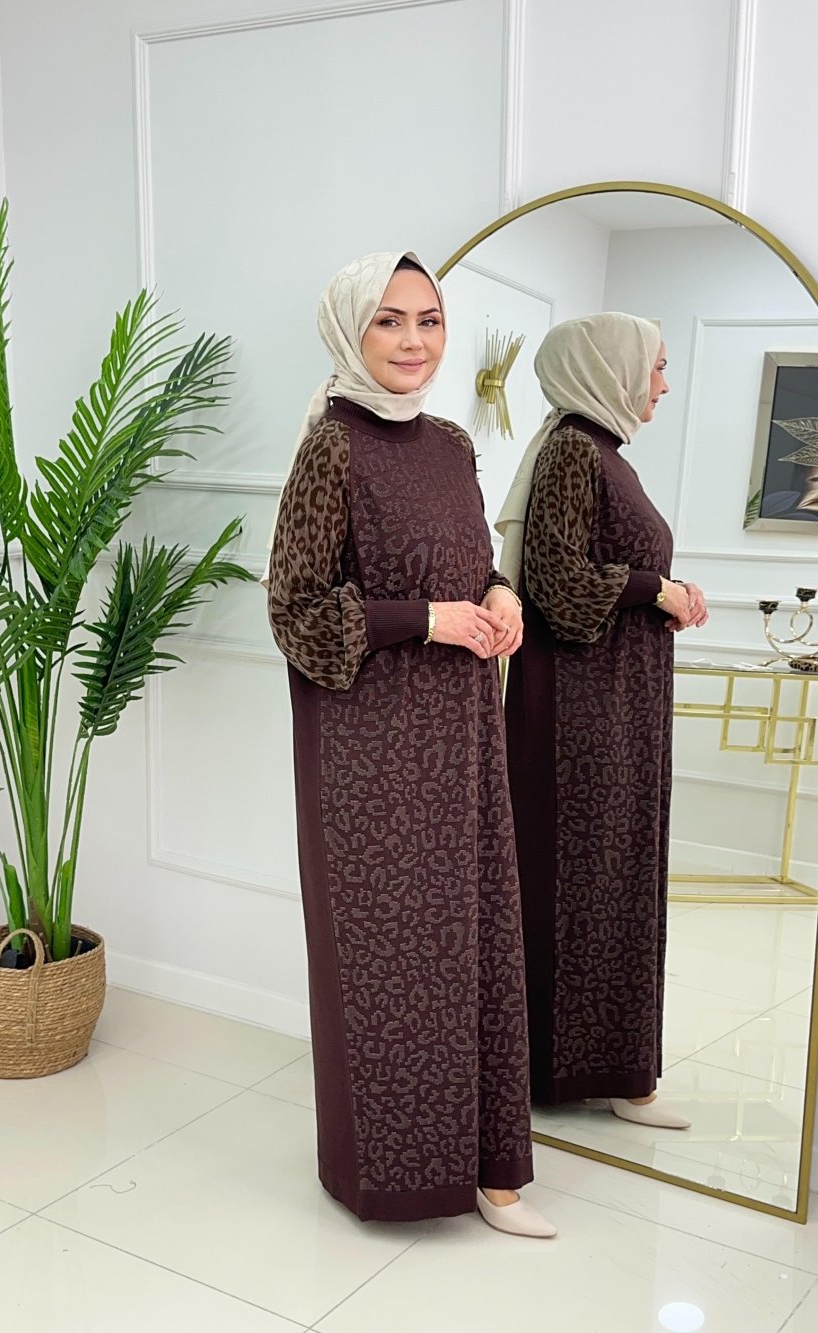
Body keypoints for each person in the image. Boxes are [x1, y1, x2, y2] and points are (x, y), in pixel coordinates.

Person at [266, 251, 554, 1237]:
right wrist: (426, 620)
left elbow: (473, 564)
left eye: (428, 320)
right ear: (351, 331)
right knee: (390, 958)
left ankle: (494, 1171)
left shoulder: (452, 444)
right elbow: (295, 611)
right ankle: (394, 1175)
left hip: (462, 738)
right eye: (389, 320)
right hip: (372, 753)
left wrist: (501, 596)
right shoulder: (333, 447)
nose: (413, 340)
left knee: (478, 935)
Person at [497, 312, 708, 1128]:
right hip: (579, 718)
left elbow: (605, 568)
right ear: (608, 367)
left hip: (616, 708)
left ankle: (615, 1068)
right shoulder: (574, 451)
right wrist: (656, 589)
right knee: (584, 881)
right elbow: (558, 583)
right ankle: (569, 1071)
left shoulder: (603, 453)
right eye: (655, 366)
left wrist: (672, 592)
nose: (662, 384)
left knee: (613, 879)